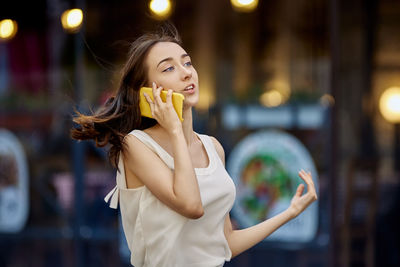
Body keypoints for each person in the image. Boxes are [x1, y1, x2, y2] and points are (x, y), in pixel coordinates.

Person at [71, 24, 318, 267]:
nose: (186, 72)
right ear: (146, 93)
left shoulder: (213, 148)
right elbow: (191, 206)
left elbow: (225, 244)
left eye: (187, 63)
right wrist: (175, 130)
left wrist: (289, 213)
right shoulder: (136, 145)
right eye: (168, 68)